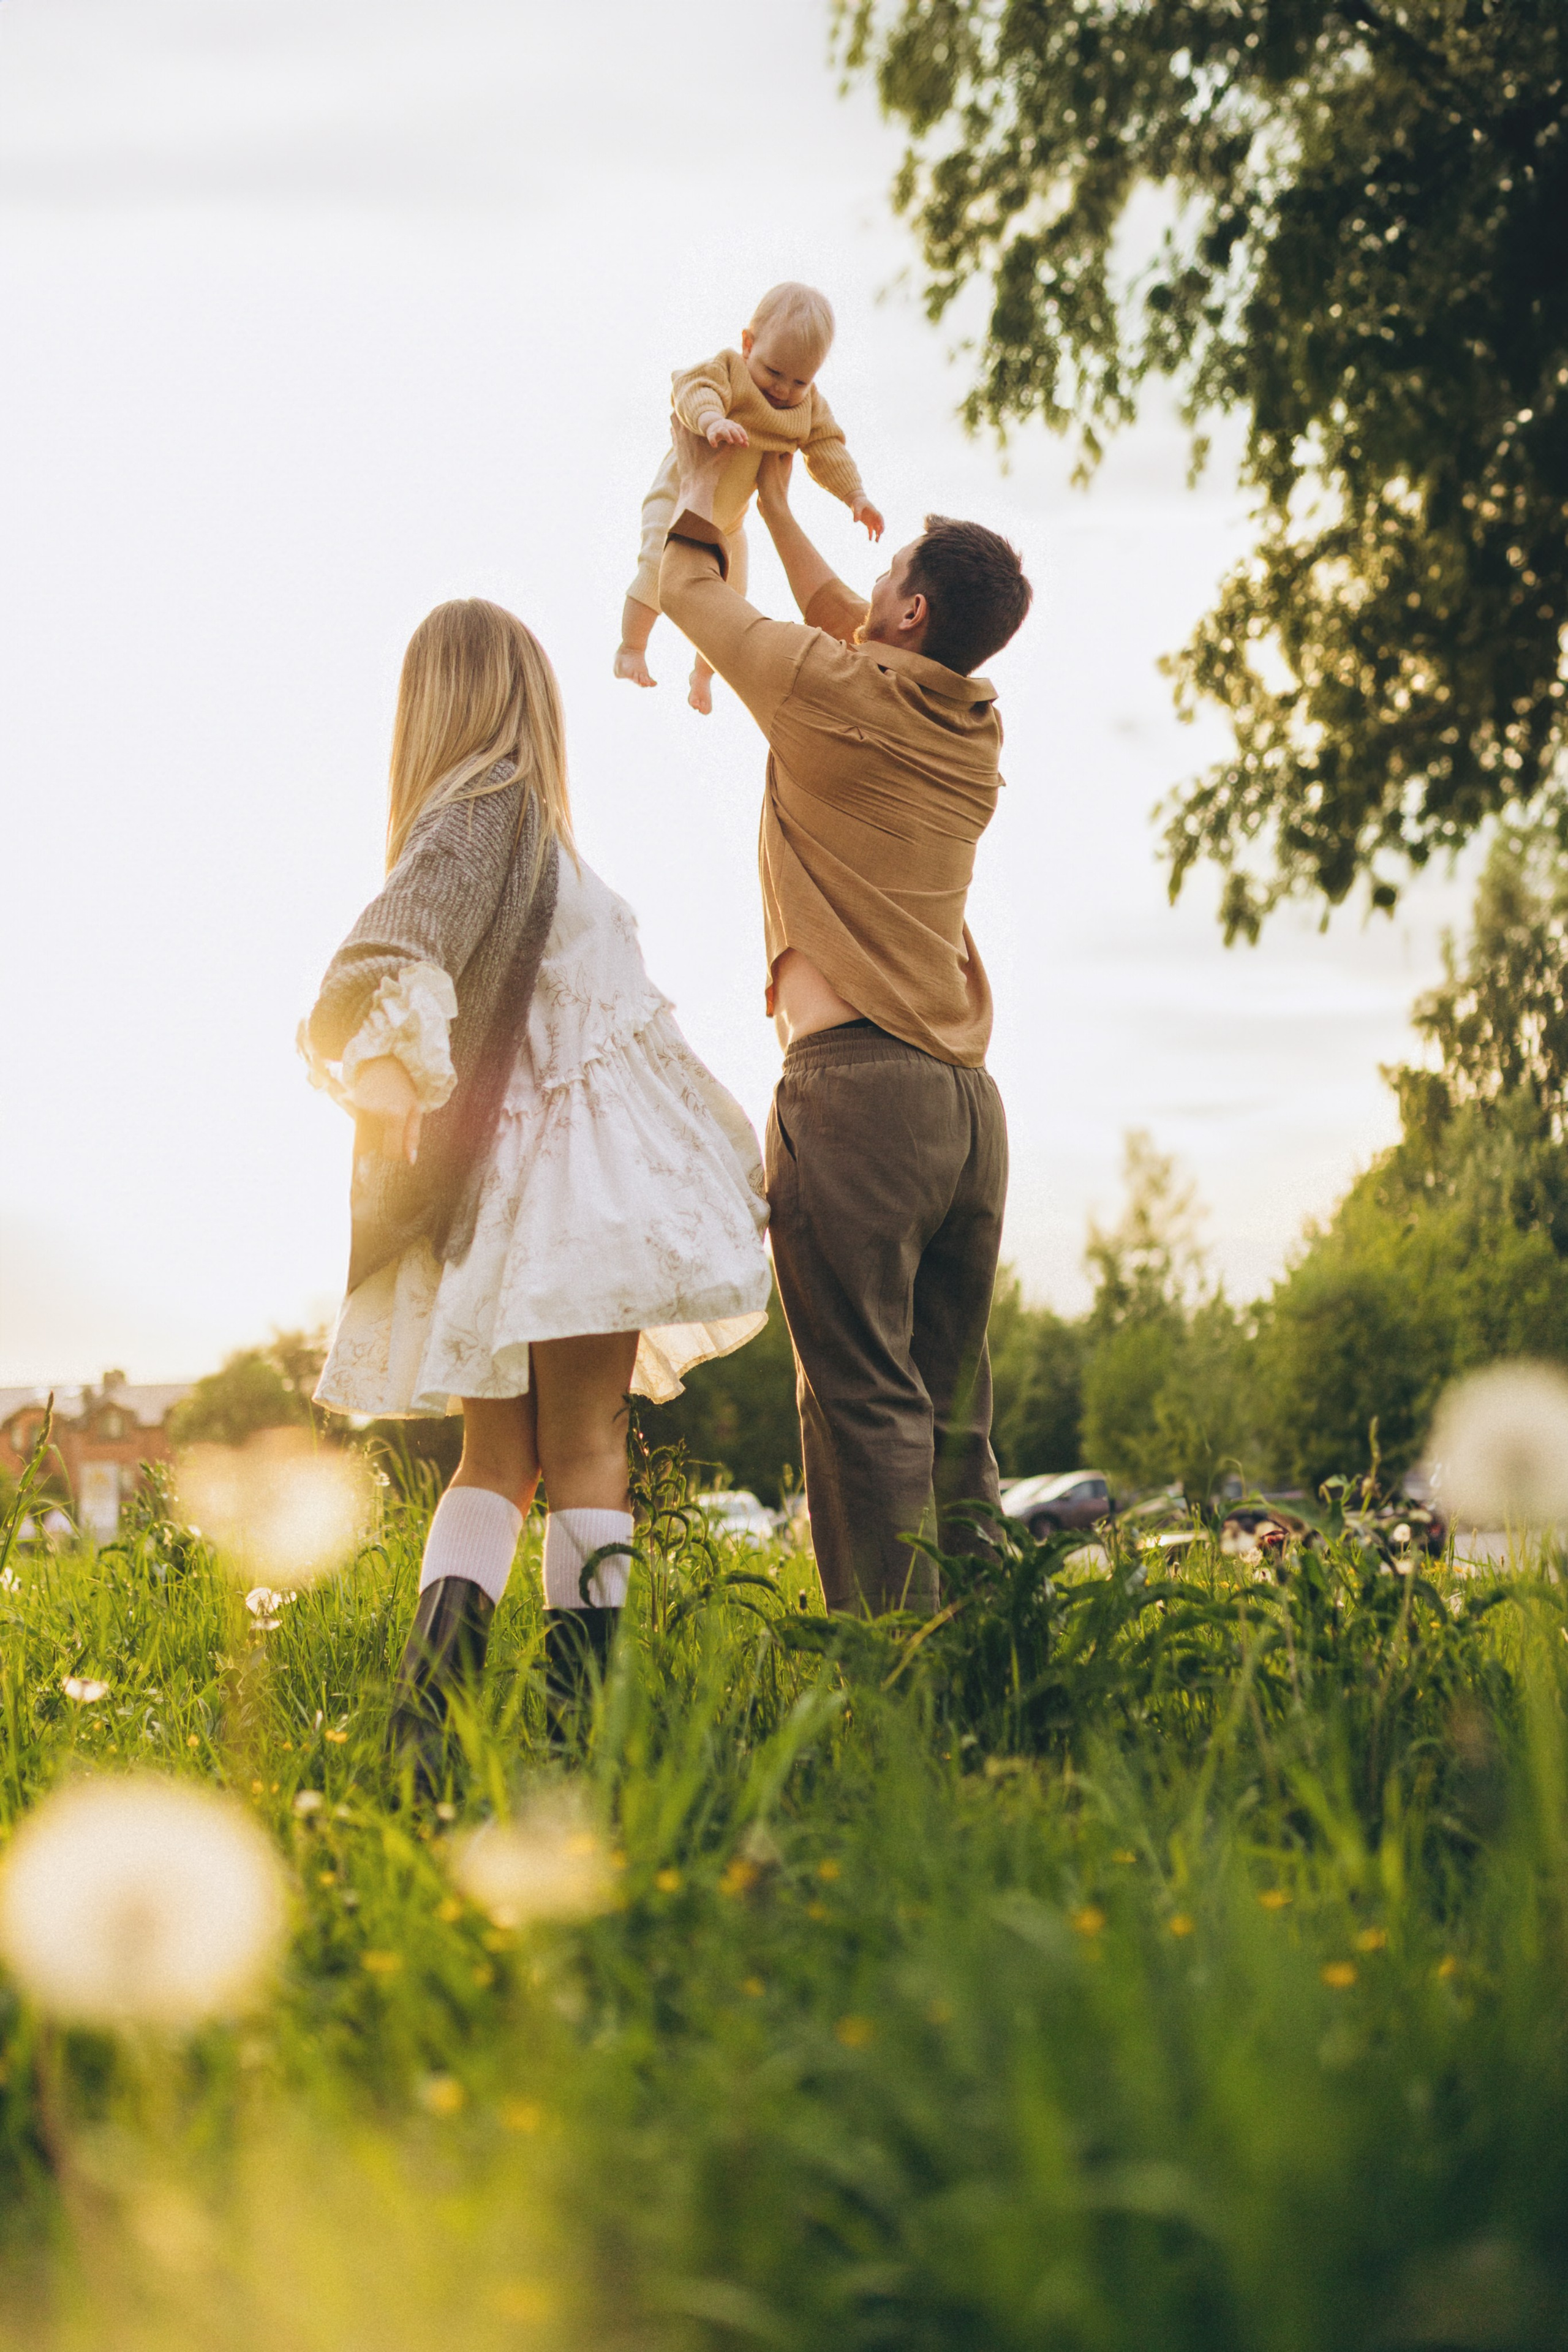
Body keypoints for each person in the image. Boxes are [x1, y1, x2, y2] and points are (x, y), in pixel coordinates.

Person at [301, 598, 770, 1767]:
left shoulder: (493, 826)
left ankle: (429, 1734)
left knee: (501, 1463)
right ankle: (576, 1738)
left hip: (516, 1195)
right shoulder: (495, 812)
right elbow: (393, 945)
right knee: (587, 1449)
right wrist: (386, 1060)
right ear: (522, 701)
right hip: (578, 1196)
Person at [659, 429, 1032, 1617]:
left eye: (887, 582)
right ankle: (996, 1685)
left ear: (911, 611)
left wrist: (702, 466)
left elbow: (681, 587)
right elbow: (838, 614)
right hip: (967, 1113)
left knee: (863, 1410)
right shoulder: (970, 725)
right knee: (950, 1419)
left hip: (856, 1095)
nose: (861, 595)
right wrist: (777, 504)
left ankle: (900, 1712)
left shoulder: (832, 696)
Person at [614, 281, 884, 714]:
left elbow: (828, 447)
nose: (782, 390)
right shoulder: (728, 371)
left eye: (800, 380)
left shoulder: (808, 406)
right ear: (748, 344)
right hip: (678, 495)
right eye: (774, 372)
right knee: (657, 571)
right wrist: (711, 419)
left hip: (731, 521)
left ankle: (703, 674)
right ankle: (631, 647)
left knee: (731, 598)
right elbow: (692, 389)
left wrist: (855, 496)